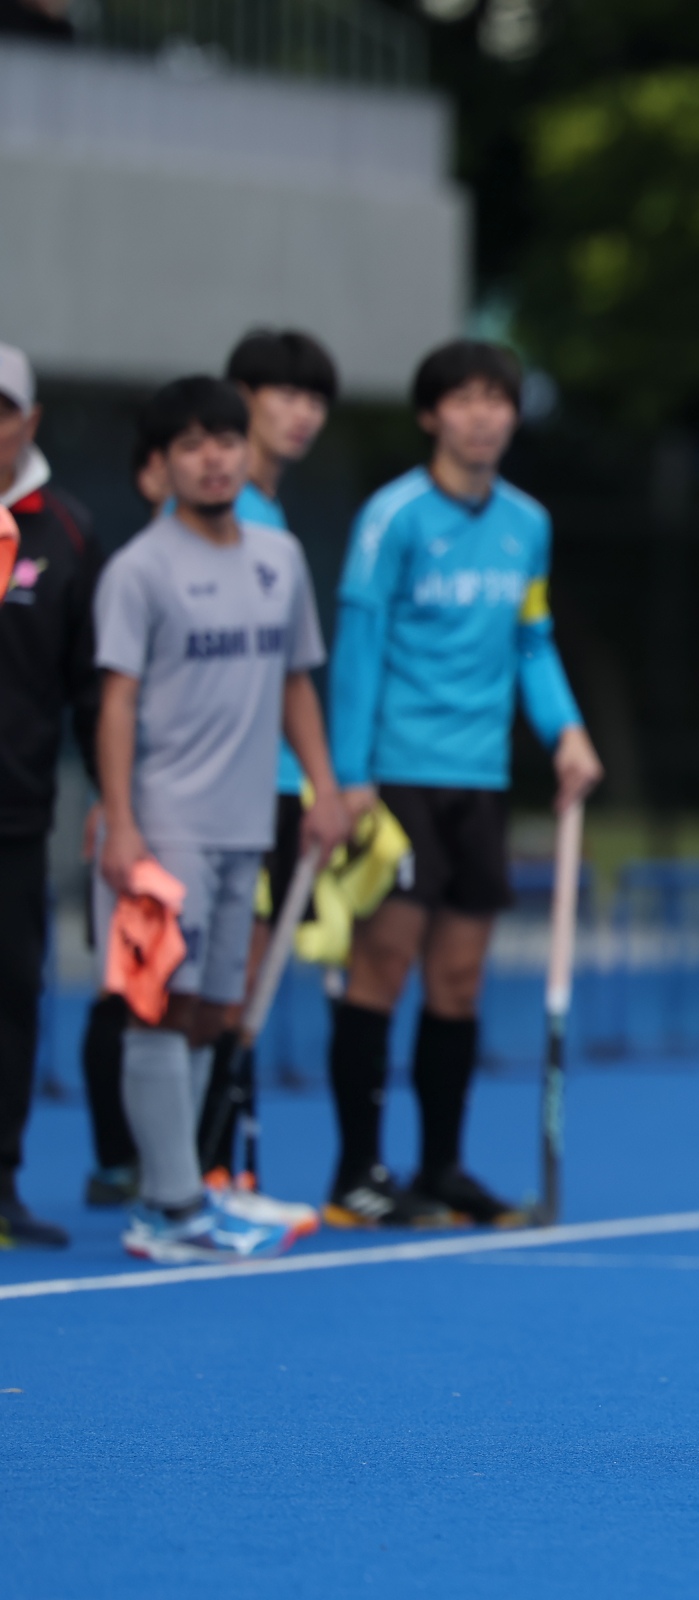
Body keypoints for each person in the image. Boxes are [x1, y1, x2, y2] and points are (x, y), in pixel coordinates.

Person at [322, 339, 602, 1229]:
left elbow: (531, 640)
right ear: (430, 414)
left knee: (459, 977)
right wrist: (349, 775)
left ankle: (441, 1167)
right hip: (397, 775)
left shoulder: (527, 524)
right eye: (464, 399)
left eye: (497, 400)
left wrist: (565, 732)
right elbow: (358, 649)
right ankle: (356, 1172)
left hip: (479, 777)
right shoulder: (392, 519)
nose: (482, 417)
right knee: (382, 965)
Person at [95, 376, 348, 1262]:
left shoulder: (280, 559)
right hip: (167, 826)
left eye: (227, 442)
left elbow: (294, 682)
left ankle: (187, 1191)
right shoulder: (139, 570)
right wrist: (120, 822)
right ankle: (165, 1208)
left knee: (212, 1010)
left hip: (248, 824)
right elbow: (116, 701)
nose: (214, 460)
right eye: (192, 445)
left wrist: (323, 788)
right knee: (158, 1008)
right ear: (161, 465)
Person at [187, 328, 340, 1181]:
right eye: (283, 394)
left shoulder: (273, 521)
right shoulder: (217, 513)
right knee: (213, 986)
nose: (301, 413)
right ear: (241, 399)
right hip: (216, 789)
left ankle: (220, 1167)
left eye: (314, 398)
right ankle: (191, 1169)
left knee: (244, 984)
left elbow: (293, 674)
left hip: (275, 787)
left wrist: (320, 783)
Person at [0, 342, 101, 1247]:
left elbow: (94, 687)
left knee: (10, 996)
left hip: (16, 815)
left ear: (29, 421)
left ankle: (0, 1182)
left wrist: (114, 797)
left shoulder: (66, 532)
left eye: (0, 409)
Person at [80, 438, 168, 1210]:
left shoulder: (264, 553)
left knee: (199, 993)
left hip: (227, 810)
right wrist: (111, 805)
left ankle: (188, 1168)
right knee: (126, 985)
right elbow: (106, 700)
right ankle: (117, 1158)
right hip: (137, 810)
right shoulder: (131, 573)